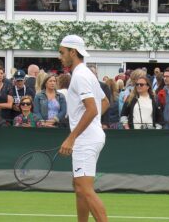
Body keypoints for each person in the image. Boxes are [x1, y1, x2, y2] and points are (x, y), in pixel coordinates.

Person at [58, 34, 109, 222]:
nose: (60, 56)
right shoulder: (85, 74)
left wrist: (72, 138)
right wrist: (92, 125)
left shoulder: (80, 75)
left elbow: (92, 109)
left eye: (62, 52)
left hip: (85, 140)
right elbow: (105, 102)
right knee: (78, 186)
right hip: (89, 137)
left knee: (84, 189)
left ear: (73, 52)